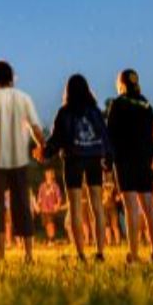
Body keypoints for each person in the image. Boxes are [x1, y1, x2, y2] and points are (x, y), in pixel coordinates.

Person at [0, 60, 46, 263]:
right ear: (12, 77)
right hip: (18, 160)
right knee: (22, 206)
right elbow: (36, 128)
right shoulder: (24, 98)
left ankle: (0, 255)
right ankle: (29, 254)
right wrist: (42, 147)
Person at [37, 74, 112, 261]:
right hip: (94, 158)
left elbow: (57, 139)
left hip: (73, 160)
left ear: (68, 91)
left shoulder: (64, 112)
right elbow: (105, 135)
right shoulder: (95, 111)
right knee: (97, 206)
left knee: (76, 207)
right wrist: (108, 159)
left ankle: (81, 254)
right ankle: (100, 252)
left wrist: (44, 153)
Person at [106, 69, 153, 263]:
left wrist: (107, 158)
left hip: (124, 159)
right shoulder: (146, 104)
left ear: (120, 83)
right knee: (148, 206)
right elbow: (150, 135)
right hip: (143, 158)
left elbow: (110, 134)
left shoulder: (118, 103)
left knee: (130, 207)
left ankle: (134, 253)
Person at [35, 169, 63, 247]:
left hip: (51, 208)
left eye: (50, 174)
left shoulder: (55, 186)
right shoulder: (42, 186)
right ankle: (49, 239)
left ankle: (52, 240)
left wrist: (58, 205)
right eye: (47, 174)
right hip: (44, 208)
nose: (48, 176)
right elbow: (39, 197)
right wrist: (37, 205)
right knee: (47, 225)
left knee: (51, 224)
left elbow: (59, 197)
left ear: (52, 175)